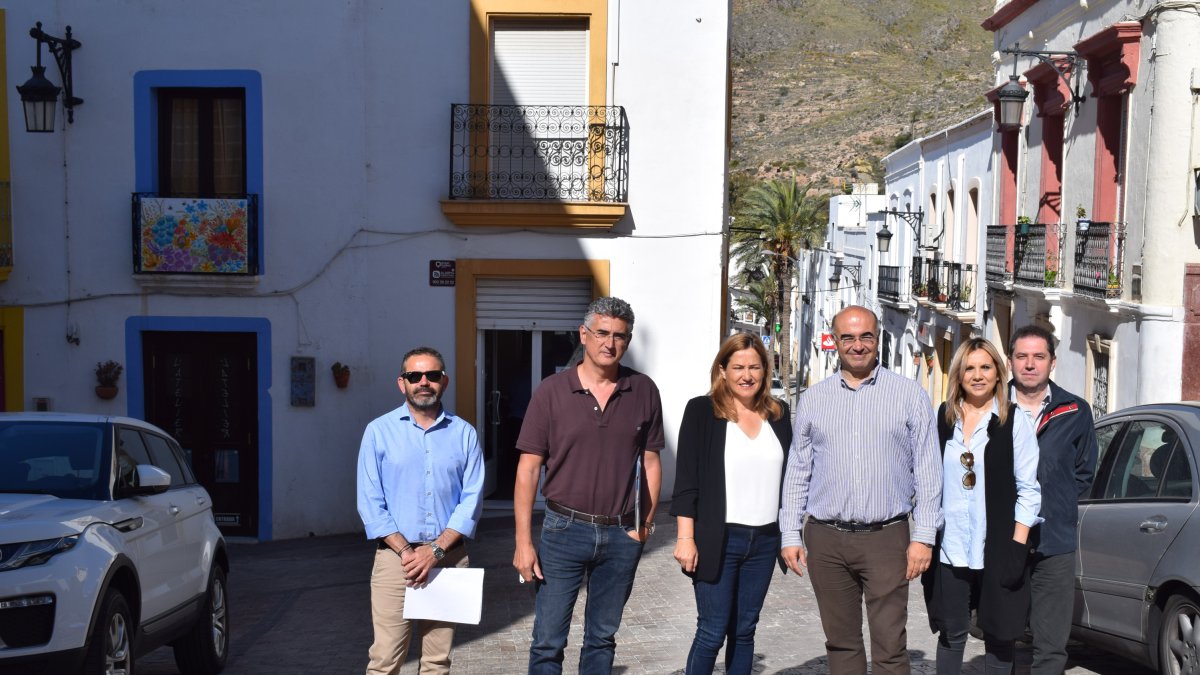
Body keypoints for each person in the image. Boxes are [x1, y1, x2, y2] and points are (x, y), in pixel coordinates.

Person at [780, 305, 943, 675]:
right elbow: (798, 470)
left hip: (887, 538)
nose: (857, 345)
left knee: (890, 647)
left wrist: (924, 536)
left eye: (866, 336)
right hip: (826, 540)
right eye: (848, 337)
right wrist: (790, 533)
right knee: (841, 644)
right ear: (835, 341)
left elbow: (928, 471)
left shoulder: (909, 395)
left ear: (878, 338)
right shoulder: (814, 399)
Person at [512, 296, 665, 675]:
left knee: (602, 638)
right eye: (601, 333)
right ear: (584, 334)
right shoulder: (551, 391)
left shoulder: (643, 390)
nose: (609, 343)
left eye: (619, 336)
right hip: (563, 531)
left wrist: (644, 525)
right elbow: (528, 469)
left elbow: (650, 461)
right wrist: (523, 542)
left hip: (620, 535)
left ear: (628, 341)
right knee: (548, 641)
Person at [357, 347, 484, 675]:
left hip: (448, 558)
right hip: (395, 560)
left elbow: (471, 500)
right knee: (385, 660)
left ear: (445, 381)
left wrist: (436, 550)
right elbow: (370, 502)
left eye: (432, 375)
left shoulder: (464, 434)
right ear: (402, 383)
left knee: (437, 663)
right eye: (415, 376)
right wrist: (406, 551)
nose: (424, 382)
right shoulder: (378, 431)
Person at [671, 333, 793, 675]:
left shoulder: (778, 414)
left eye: (755, 367)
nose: (747, 375)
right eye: (738, 367)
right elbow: (687, 481)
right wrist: (685, 537)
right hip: (718, 539)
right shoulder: (702, 411)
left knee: (744, 631)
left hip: (765, 540)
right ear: (722, 370)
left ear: (765, 370)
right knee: (712, 631)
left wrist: (792, 535)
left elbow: (792, 478)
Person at [922, 338, 1042, 675]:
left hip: (999, 546)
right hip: (951, 546)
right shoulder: (944, 418)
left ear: (998, 373)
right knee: (951, 632)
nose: (978, 375)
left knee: (1000, 634)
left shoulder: (1014, 420)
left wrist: (1017, 545)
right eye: (969, 368)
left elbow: (1029, 490)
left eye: (985, 367)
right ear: (958, 375)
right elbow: (929, 479)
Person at [1008, 325, 1097, 674]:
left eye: (1038, 357)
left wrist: (1057, 506)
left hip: (1054, 542)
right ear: (1010, 361)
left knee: (1051, 646)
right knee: (999, 634)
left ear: (1052, 362)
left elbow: (1084, 473)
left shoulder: (1075, 410)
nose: (1030, 364)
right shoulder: (992, 408)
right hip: (1003, 539)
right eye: (1022, 356)